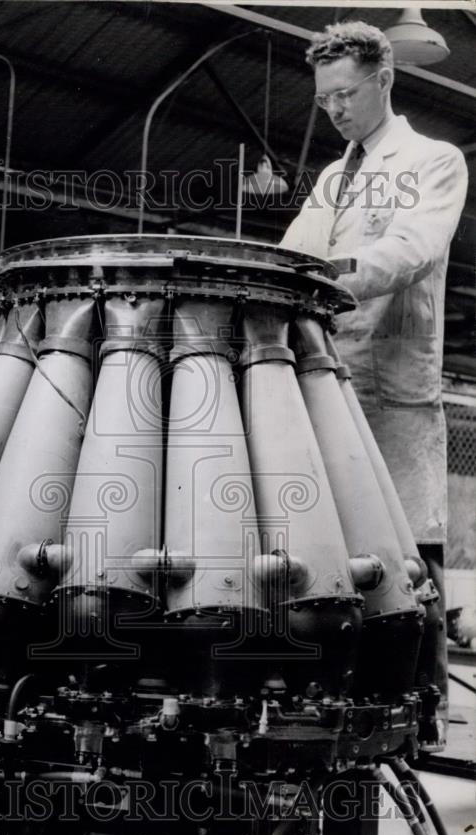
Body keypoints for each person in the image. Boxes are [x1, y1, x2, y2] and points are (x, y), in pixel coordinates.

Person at [280, 20, 468, 747]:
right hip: (327, 384)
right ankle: (341, 704)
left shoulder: (434, 160)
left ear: (385, 80)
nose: (336, 110)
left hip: (394, 390)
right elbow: (296, 250)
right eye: (325, 100)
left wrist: (335, 276)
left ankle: (423, 717)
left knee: (409, 552)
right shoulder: (334, 176)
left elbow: (413, 250)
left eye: (347, 94)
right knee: (334, 549)